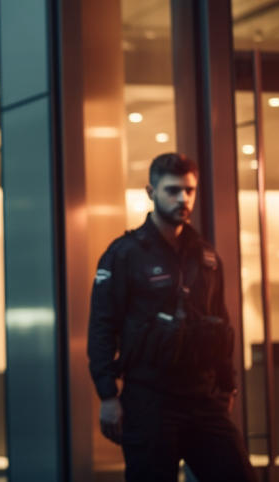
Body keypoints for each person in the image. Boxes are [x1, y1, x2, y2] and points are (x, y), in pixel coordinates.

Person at [87, 153, 257, 482]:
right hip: (150, 397)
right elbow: (102, 327)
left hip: (203, 396)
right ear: (150, 192)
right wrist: (107, 394)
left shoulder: (206, 256)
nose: (183, 199)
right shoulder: (124, 254)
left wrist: (228, 385)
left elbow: (220, 322)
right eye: (173, 190)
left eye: (189, 191)